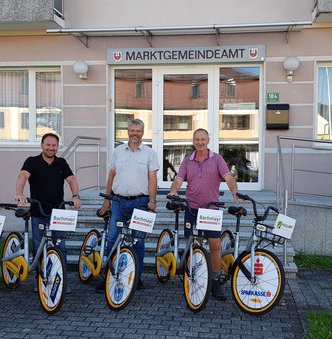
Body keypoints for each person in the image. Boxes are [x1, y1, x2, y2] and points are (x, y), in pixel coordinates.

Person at [168, 128, 239, 301]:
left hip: (210, 210)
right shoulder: (187, 160)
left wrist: (234, 191)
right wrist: (173, 192)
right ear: (193, 141)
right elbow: (178, 179)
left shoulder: (217, 159)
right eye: (197, 139)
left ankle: (214, 282)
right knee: (195, 244)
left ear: (208, 141)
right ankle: (196, 276)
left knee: (214, 245)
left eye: (203, 139)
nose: (200, 142)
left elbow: (228, 177)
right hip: (192, 208)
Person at [96, 119, 159, 291]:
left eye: (138, 131)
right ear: (127, 132)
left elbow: (152, 179)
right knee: (112, 238)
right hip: (118, 201)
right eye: (132, 130)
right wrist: (107, 200)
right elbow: (112, 175)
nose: (135, 134)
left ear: (143, 133)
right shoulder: (117, 152)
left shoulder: (149, 153)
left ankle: (136, 277)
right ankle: (110, 274)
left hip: (141, 202)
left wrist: (152, 200)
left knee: (137, 240)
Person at [15, 133, 81, 260]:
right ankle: (40, 277)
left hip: (59, 212)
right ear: (42, 146)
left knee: (60, 247)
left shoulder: (61, 162)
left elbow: (71, 179)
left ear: (57, 147)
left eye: (54, 145)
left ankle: (60, 277)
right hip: (38, 212)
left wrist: (75, 196)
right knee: (38, 247)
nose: (51, 148)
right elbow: (23, 175)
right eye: (48, 145)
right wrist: (19, 193)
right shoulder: (32, 161)